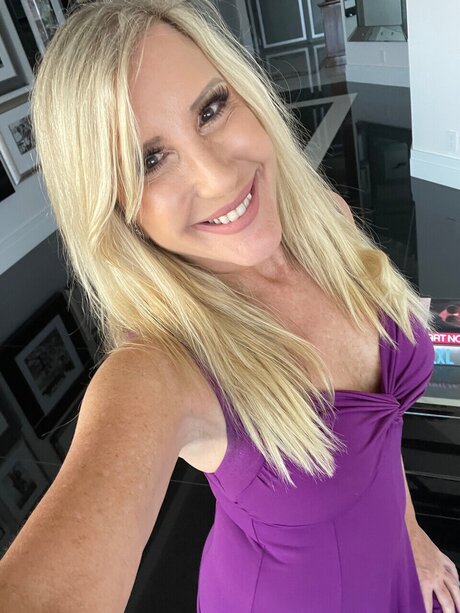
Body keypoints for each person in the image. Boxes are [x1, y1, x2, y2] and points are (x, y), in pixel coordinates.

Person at [0, 1, 459, 611]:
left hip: (391, 559)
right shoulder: (159, 373)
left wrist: (411, 529)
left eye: (211, 109)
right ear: (115, 209)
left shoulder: (327, 220)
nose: (218, 178)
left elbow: (383, 426)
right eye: (149, 160)